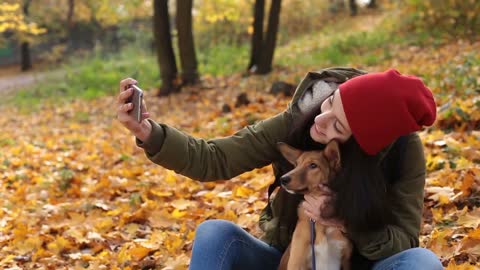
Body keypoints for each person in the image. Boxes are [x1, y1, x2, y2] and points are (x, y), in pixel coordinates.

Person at [116, 67, 444, 270]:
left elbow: (404, 240)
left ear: (362, 144)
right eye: (330, 104)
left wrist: (346, 221)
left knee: (422, 263)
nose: (320, 121)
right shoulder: (302, 119)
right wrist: (148, 132)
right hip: (288, 259)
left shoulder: (403, 152)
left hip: (362, 264)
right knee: (215, 233)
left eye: (337, 127)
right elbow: (216, 158)